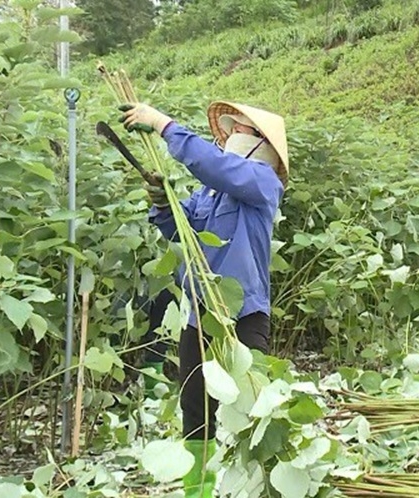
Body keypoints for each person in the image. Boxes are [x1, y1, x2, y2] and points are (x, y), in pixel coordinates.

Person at [118, 100, 288, 498]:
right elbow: (181, 232)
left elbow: (215, 164)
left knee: (254, 412)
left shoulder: (262, 184)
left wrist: (162, 125)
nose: (229, 136)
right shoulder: (209, 194)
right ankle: (198, 491)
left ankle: (263, 487)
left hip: (243, 314)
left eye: (239, 130)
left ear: (260, 143)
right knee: (195, 410)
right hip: (199, 314)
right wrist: (163, 204)